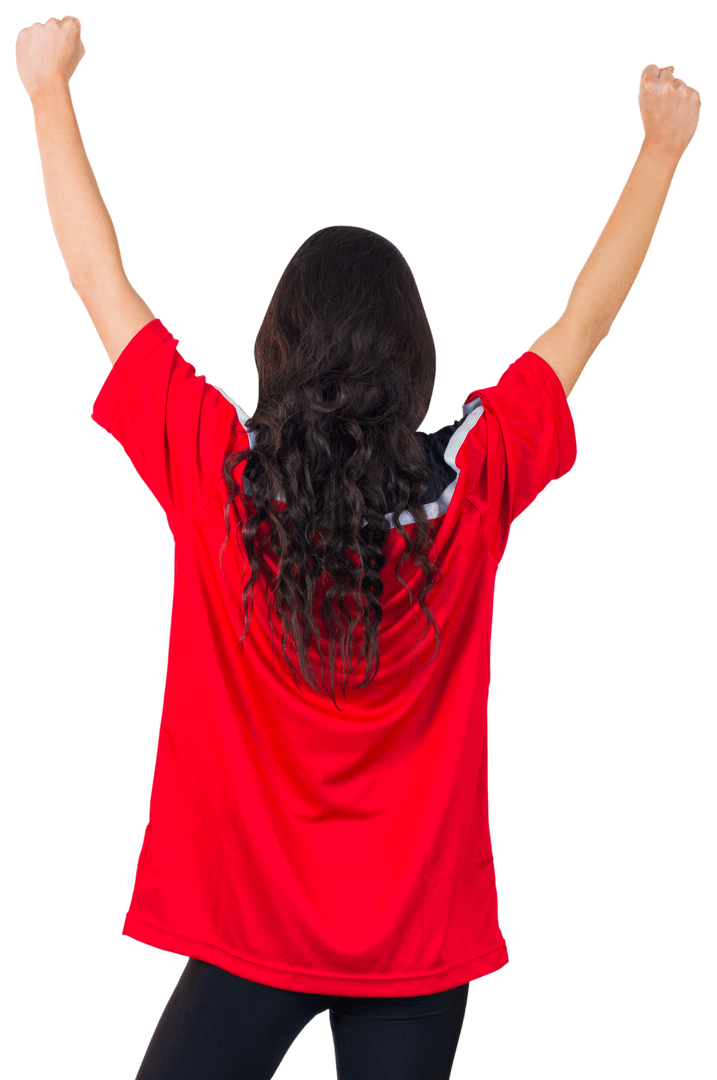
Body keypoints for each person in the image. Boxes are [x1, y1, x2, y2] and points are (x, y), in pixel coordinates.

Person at [16, 17, 701, 1080]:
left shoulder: (219, 475)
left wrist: (47, 91)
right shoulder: (473, 486)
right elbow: (588, 319)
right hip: (421, 948)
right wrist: (662, 148)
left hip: (256, 930)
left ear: (277, 353)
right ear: (414, 362)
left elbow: (101, 286)